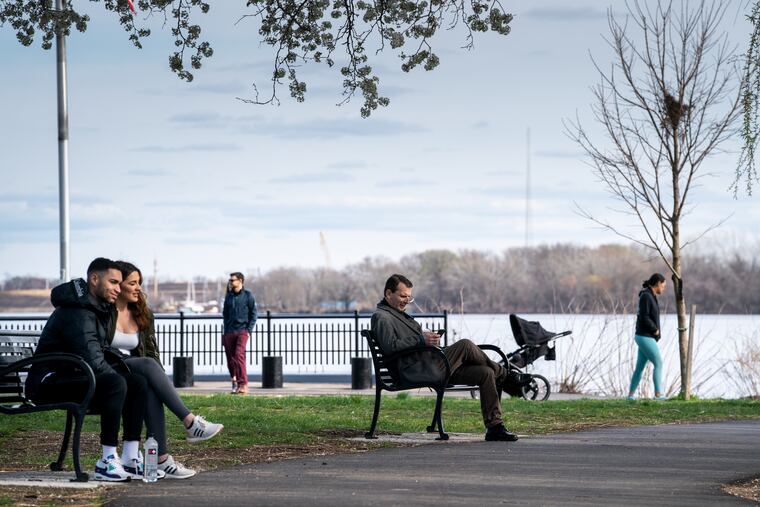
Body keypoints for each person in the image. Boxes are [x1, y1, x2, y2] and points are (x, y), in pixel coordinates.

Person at [26, 258, 148, 482]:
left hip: (71, 375)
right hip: (47, 382)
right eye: (113, 282)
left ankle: (131, 457)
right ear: (94, 279)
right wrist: (118, 380)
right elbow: (91, 358)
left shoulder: (94, 308)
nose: (118, 289)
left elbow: (95, 353)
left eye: (120, 284)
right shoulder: (77, 311)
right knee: (116, 383)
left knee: (137, 382)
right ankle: (107, 460)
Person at [371, 274, 518, 442]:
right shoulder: (382, 317)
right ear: (388, 293)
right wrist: (421, 339)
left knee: (485, 373)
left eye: (409, 297)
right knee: (465, 345)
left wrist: (429, 341)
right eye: (402, 296)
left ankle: (495, 428)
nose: (406, 301)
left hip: (430, 366)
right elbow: (390, 347)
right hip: (416, 370)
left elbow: (409, 344)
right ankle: (507, 376)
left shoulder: (398, 314)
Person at [112, 261, 224, 479]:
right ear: (118, 285)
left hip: (135, 375)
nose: (138, 288)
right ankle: (190, 422)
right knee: (147, 365)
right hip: (110, 370)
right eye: (132, 283)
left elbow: (151, 351)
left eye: (140, 283)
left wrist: (159, 381)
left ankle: (161, 459)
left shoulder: (142, 313)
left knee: (150, 384)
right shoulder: (104, 312)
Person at [627, 273, 667, 401]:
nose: (664, 288)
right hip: (645, 336)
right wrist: (655, 329)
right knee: (659, 363)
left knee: (639, 367)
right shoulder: (646, 296)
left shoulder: (651, 296)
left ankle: (630, 396)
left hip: (645, 336)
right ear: (658, 283)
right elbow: (644, 316)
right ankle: (658, 395)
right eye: (664, 286)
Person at [222, 272, 257, 394]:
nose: (231, 282)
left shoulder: (248, 296)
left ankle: (243, 384)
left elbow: (254, 314)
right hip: (229, 332)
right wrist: (225, 331)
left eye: (233, 280)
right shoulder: (229, 297)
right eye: (230, 280)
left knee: (238, 355)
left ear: (240, 281)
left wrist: (249, 330)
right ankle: (235, 382)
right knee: (231, 360)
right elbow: (225, 314)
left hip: (242, 331)